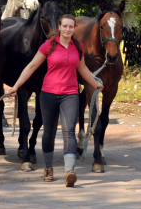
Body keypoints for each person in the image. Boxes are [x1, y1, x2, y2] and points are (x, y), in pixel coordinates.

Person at [7, 14, 103, 187]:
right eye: (65, 26)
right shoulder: (48, 46)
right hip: (48, 94)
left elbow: (83, 69)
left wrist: (95, 84)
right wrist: (16, 86)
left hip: (70, 94)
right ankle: (49, 168)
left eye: (71, 26)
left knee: (69, 132)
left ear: (74, 28)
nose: (68, 29)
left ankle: (69, 171)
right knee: (49, 133)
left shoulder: (78, 47)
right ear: (59, 27)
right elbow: (31, 66)